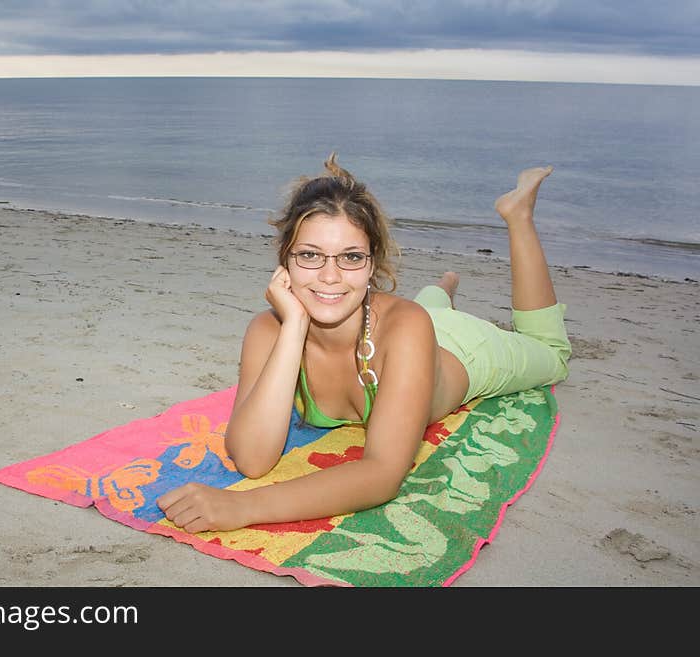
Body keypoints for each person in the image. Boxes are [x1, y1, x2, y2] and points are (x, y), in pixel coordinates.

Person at [157, 154, 571, 533]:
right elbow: (251, 458)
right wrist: (295, 325)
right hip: (404, 324)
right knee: (426, 309)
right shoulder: (268, 331)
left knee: (551, 353)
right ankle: (443, 288)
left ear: (373, 264)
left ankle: (517, 216)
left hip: (461, 349)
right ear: (284, 260)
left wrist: (243, 507)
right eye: (310, 256)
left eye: (351, 257)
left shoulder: (408, 325)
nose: (330, 276)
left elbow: (382, 474)